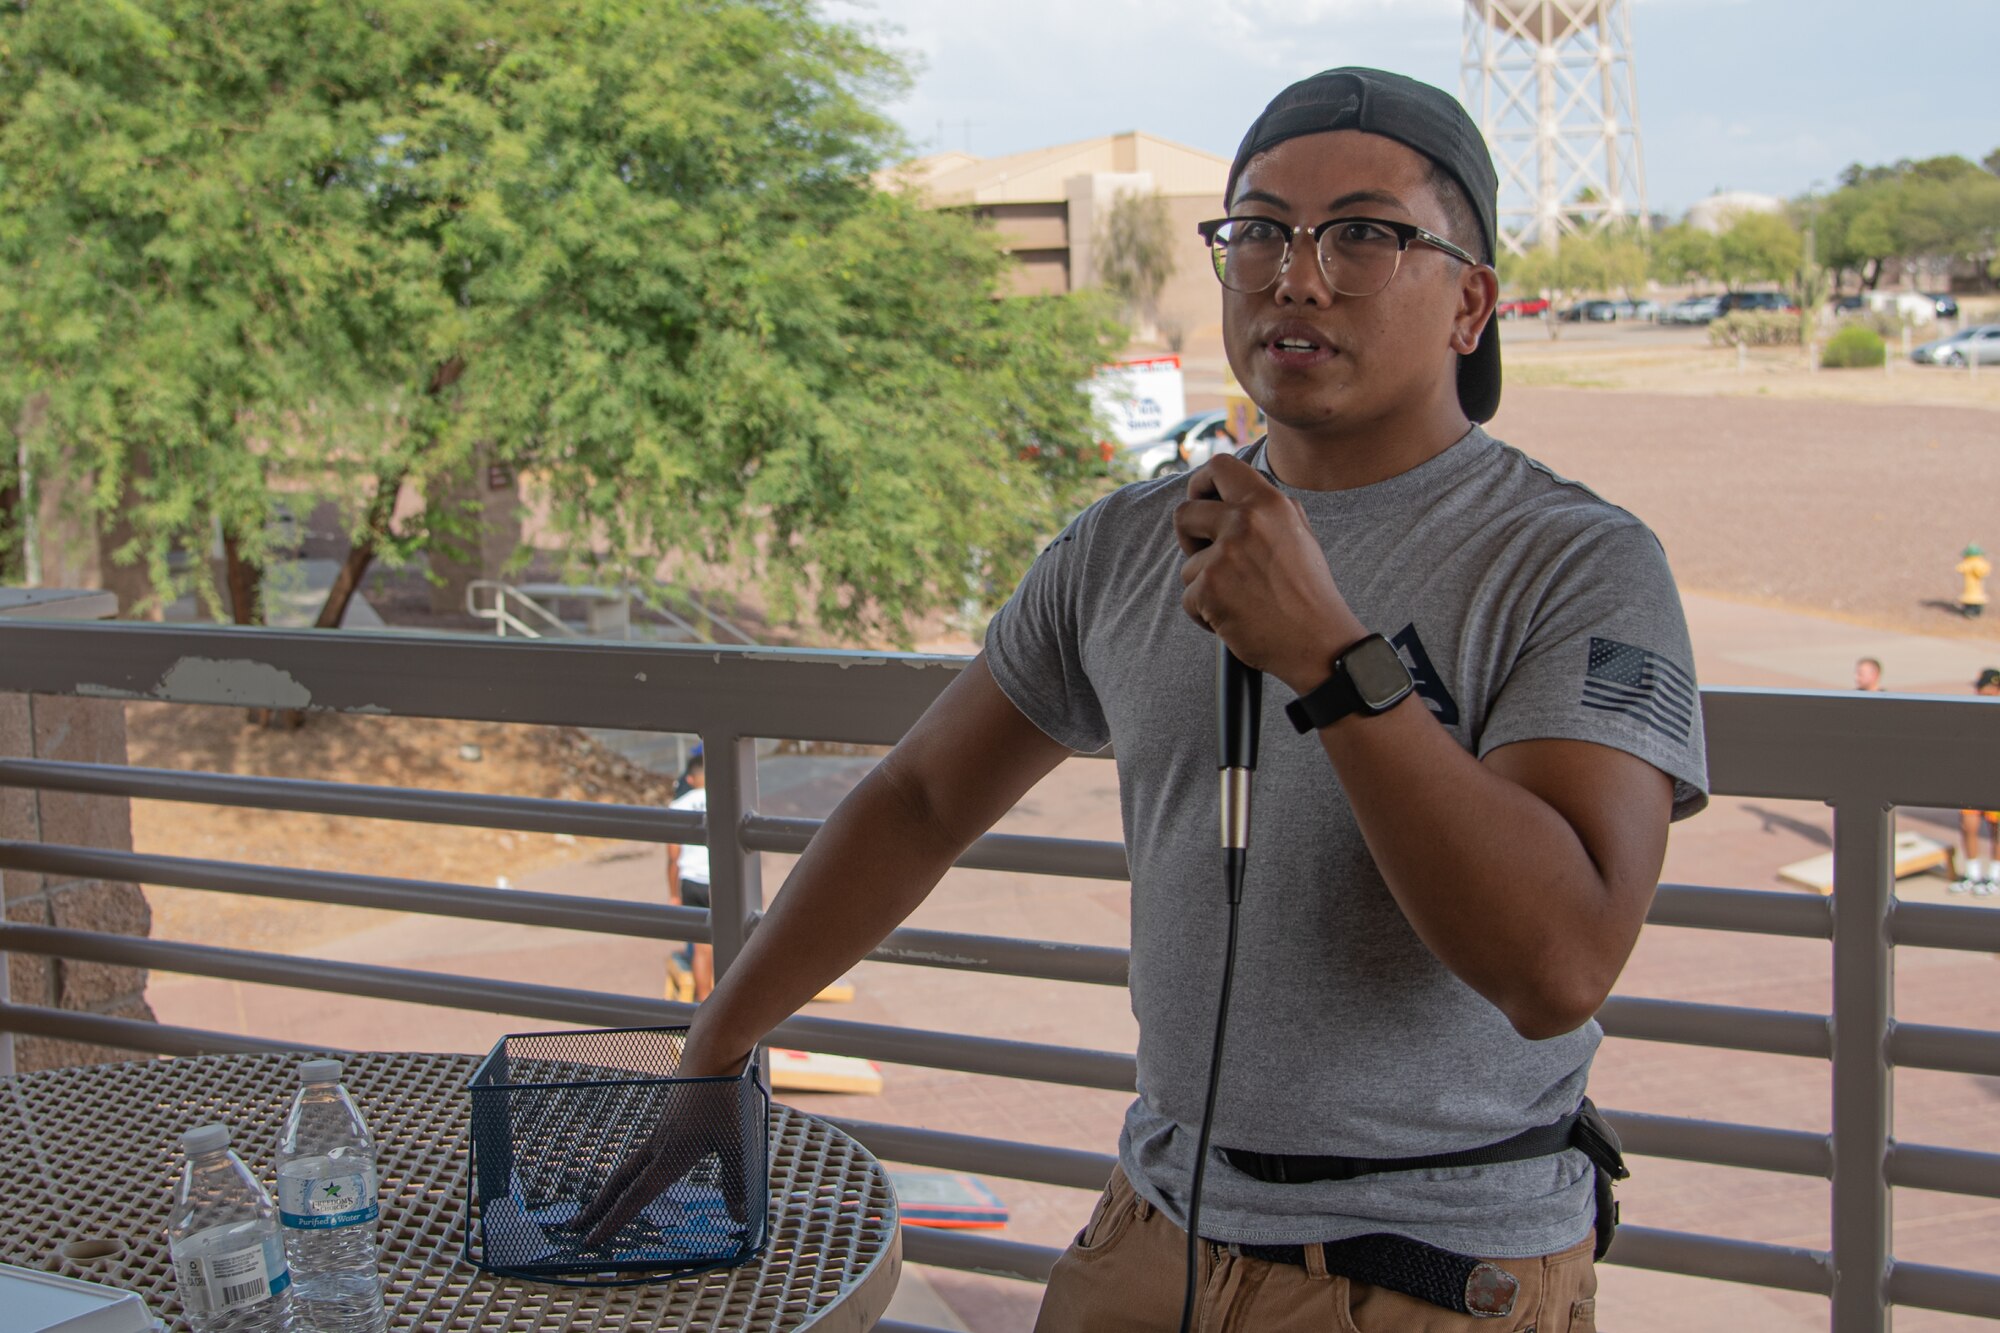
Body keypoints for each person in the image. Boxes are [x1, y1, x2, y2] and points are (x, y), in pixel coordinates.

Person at [582, 67, 1707, 1331]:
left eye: (1363, 235)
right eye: (1259, 230)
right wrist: (713, 1057)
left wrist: (1331, 660)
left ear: (1470, 302)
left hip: (1432, 1272)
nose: (1296, 274)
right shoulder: (1125, 545)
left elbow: (1556, 965)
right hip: (1150, 1233)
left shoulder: (1572, 562)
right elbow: (917, 797)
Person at [665, 745, 715, 999]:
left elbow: (674, 857)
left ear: (690, 778)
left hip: (692, 880)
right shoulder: (724, 801)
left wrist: (674, 894)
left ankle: (704, 1002)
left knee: (701, 949)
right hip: (720, 881)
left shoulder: (679, 805)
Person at [1954, 669, 2000, 895]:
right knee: (1968, 825)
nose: (1978, 692)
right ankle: (1972, 874)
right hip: (1973, 779)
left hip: (1995, 779)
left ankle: (1995, 876)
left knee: (1997, 828)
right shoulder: (1972, 713)